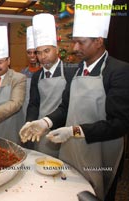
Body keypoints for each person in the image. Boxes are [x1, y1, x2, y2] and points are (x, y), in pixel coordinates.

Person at [19, 0, 129, 200]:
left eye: (81, 42)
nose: (74, 47)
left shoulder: (118, 71)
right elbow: (65, 107)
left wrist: (76, 130)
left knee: (99, 194)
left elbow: (120, 123)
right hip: (74, 147)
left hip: (102, 150)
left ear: (98, 41)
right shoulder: (80, 69)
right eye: (74, 41)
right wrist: (45, 122)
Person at [22, 14, 77, 156]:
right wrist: (30, 122)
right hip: (41, 130)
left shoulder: (71, 72)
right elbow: (34, 104)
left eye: (47, 51)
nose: (42, 56)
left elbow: (69, 105)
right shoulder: (37, 76)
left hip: (64, 129)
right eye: (39, 52)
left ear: (56, 49)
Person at [20, 26, 41, 129]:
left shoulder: (44, 73)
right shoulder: (23, 73)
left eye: (35, 52)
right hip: (25, 114)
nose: (32, 55)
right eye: (29, 52)